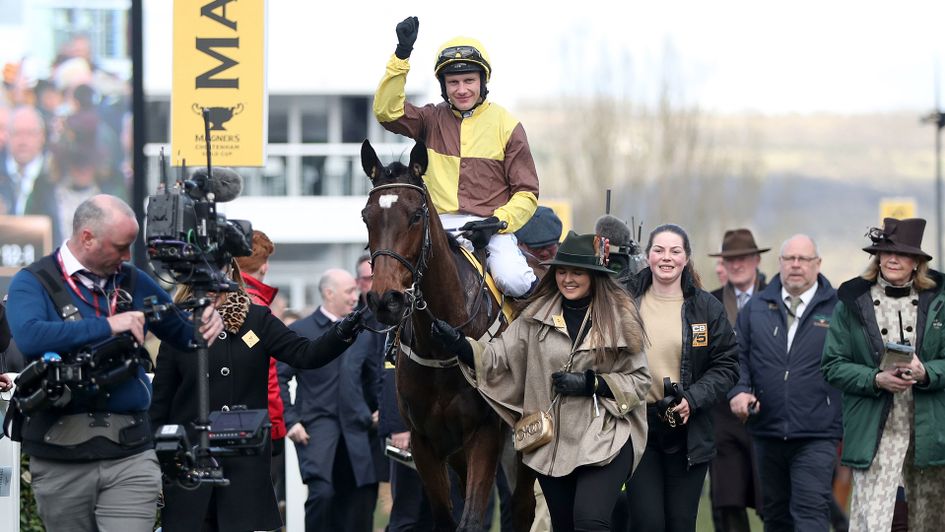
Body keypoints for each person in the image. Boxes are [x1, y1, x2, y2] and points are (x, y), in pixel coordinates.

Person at [4, 194, 224, 531]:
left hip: (131, 452)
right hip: (60, 454)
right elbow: (31, 336)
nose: (126, 257)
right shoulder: (34, 281)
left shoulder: (132, 280)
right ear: (87, 237)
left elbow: (184, 336)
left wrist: (205, 320)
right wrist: (109, 325)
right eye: (120, 247)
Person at [432, 231, 651, 532]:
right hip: (551, 443)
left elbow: (639, 381)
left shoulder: (619, 318)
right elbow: (496, 358)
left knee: (589, 521)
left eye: (577, 272)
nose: (567, 279)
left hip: (605, 436)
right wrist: (460, 344)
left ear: (594, 276)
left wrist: (592, 384)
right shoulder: (534, 318)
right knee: (563, 526)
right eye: (562, 271)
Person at [149, 261, 366, 532]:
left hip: (243, 464)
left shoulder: (256, 319)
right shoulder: (179, 324)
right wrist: (155, 463)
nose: (211, 279)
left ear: (231, 272)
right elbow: (160, 402)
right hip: (190, 465)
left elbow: (305, 354)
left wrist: (345, 329)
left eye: (219, 269)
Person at [374, 16, 540, 297]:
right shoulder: (429, 118)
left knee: (515, 281)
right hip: (437, 225)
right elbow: (386, 112)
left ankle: (532, 324)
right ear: (444, 86)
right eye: (453, 82)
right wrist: (401, 55)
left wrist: (497, 221)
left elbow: (527, 193)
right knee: (394, 278)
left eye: (469, 80)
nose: (462, 90)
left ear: (483, 81)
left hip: (489, 228)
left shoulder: (508, 125)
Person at [822, 217, 945, 532]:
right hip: (875, 432)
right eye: (886, 252)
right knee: (872, 524)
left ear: (916, 262)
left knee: (929, 522)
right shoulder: (852, 301)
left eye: (902, 254)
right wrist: (875, 379)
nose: (892, 259)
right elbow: (832, 365)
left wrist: (926, 372)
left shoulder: (940, 301)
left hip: (929, 432)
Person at [623, 223, 739, 532]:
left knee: (680, 523)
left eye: (675, 251)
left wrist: (692, 398)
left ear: (686, 258)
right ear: (648, 256)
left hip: (688, 428)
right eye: (659, 250)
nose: (666, 257)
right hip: (637, 425)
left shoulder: (706, 307)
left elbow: (727, 365)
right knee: (647, 523)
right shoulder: (624, 299)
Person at [728, 234, 841, 532]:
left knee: (810, 514)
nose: (795, 265)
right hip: (767, 429)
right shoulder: (756, 307)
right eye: (789, 258)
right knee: (775, 516)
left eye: (803, 259)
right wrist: (739, 391)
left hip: (817, 432)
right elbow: (737, 357)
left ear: (817, 264)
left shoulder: (839, 309)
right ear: (779, 263)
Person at [278, 269, 381, 532]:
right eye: (349, 291)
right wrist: (291, 420)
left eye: (355, 290)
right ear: (329, 293)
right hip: (316, 431)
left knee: (360, 501)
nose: (356, 296)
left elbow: (374, 377)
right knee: (322, 495)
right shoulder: (300, 330)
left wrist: (380, 409)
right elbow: (279, 377)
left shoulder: (363, 333)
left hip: (357, 431)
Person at [707, 228, 769, 531]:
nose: (736, 264)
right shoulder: (710, 302)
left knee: (772, 498)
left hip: (769, 409)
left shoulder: (776, 297)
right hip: (722, 413)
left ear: (756, 260)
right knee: (727, 499)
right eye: (730, 258)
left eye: (743, 257)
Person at [234, 229, 288, 515]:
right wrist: (277, 426)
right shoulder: (256, 306)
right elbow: (267, 375)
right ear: (263, 266)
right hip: (258, 425)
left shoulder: (220, 299)